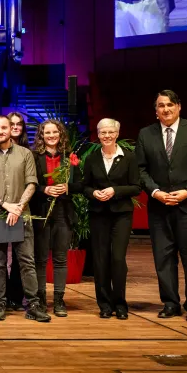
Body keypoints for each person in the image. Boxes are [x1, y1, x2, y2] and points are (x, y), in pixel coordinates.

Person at [135, 90, 187, 321]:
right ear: (156, 111)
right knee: (163, 259)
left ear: (179, 106)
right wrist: (156, 192)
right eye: (161, 106)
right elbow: (140, 169)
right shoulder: (145, 134)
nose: (166, 109)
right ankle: (170, 303)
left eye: (170, 105)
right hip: (159, 207)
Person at [0, 116, 50, 322]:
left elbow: (32, 183)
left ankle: (33, 305)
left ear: (11, 129)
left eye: (4, 128)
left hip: (21, 214)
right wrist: (4, 204)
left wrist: (17, 207)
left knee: (27, 261)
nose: (1, 131)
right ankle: (0, 304)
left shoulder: (25, 154)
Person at [82, 118, 141, 319]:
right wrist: (93, 193)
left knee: (117, 258)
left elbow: (136, 187)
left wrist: (115, 190)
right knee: (100, 260)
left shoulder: (129, 157)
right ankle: (104, 305)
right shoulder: (91, 158)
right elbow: (85, 186)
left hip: (121, 215)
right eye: (103, 133)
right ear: (98, 135)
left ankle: (121, 304)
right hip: (98, 214)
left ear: (117, 134)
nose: (107, 136)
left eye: (110, 132)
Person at [29, 120, 82, 318]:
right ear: (41, 135)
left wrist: (68, 187)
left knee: (60, 258)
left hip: (63, 211)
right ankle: (41, 299)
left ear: (60, 134)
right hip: (42, 211)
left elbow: (80, 184)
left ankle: (59, 300)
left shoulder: (70, 157)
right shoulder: (34, 157)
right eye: (47, 132)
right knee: (41, 259)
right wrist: (46, 189)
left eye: (54, 132)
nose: (51, 136)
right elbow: (31, 184)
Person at [5, 111, 29, 311]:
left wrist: (20, 206)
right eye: (11, 123)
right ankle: (3, 296)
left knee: (20, 256)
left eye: (18, 124)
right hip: (1, 208)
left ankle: (16, 296)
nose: (14, 127)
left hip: (23, 208)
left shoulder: (28, 151)